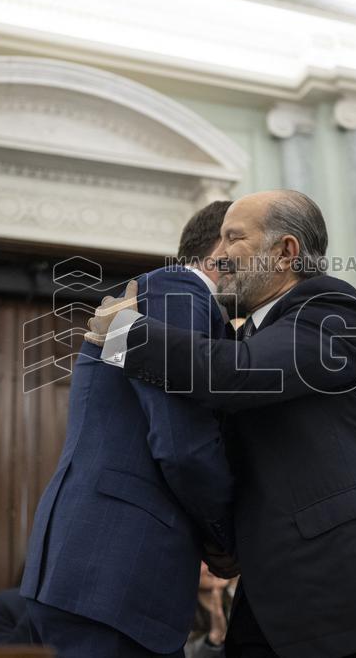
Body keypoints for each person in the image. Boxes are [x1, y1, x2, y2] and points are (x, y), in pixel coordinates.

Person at [88, 190, 356, 657]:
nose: (219, 256)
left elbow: (237, 373)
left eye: (234, 238)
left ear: (286, 252)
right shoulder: (243, 335)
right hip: (281, 597)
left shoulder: (330, 307)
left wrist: (125, 335)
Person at [20, 201, 236, 657]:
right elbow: (181, 441)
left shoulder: (166, 297)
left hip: (104, 571)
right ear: (225, 246)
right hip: (114, 570)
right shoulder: (179, 289)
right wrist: (225, 537)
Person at [185, 562, 232, 658]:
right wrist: (214, 638)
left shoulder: (241, 606)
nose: (214, 565)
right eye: (203, 561)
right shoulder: (182, 618)